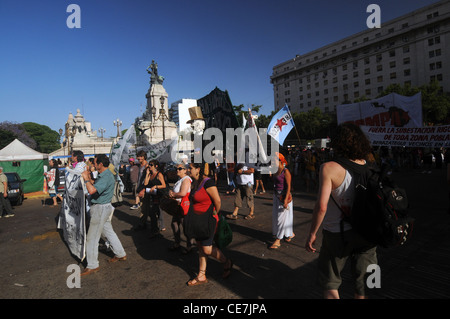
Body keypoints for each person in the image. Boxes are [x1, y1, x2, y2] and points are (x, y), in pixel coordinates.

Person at [305, 123, 377, 299]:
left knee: (330, 281)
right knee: (365, 284)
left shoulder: (329, 168)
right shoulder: (371, 165)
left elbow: (322, 206)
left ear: (336, 142)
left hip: (337, 233)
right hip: (368, 231)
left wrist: (312, 233)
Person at [185, 162, 232, 286]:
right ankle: (201, 274)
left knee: (206, 248)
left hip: (208, 220)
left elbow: (217, 200)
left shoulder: (208, 182)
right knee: (201, 247)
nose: (188, 170)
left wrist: (214, 213)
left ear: (198, 169)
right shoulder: (195, 183)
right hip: (198, 220)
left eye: (190, 168)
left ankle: (226, 262)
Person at [80, 154, 127, 276]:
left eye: (95, 163)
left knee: (92, 238)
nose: (93, 165)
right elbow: (95, 186)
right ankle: (120, 253)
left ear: (100, 164)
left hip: (100, 209)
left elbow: (92, 190)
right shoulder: (105, 175)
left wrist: (85, 179)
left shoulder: (106, 176)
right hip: (104, 208)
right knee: (108, 232)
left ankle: (92, 265)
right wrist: (89, 177)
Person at [168, 162, 195, 253]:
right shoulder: (181, 179)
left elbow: (183, 193)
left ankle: (189, 246)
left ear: (185, 170)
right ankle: (177, 243)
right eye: (177, 169)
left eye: (180, 169)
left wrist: (173, 194)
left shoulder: (186, 179)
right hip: (178, 206)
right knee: (174, 224)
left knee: (186, 227)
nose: (177, 170)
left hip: (183, 206)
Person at [270, 152, 294, 249]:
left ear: (280, 161)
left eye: (274, 160)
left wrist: (285, 200)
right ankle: (288, 234)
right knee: (277, 217)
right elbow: (275, 182)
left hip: (284, 197)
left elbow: (288, 187)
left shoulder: (286, 171)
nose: (272, 162)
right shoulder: (275, 170)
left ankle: (278, 240)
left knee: (281, 218)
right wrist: (271, 175)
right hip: (276, 196)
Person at [137, 159, 166, 237]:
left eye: (151, 165)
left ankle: (156, 229)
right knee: (154, 212)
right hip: (153, 195)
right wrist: (147, 174)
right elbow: (146, 183)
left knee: (155, 212)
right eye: (149, 164)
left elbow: (164, 185)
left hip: (159, 195)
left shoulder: (159, 174)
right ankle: (157, 228)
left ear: (156, 166)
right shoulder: (150, 175)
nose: (149, 166)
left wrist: (156, 186)